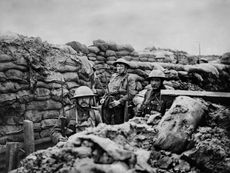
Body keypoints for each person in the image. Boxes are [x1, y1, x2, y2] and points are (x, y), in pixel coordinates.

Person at [101, 58, 136, 124]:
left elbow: (131, 93)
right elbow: (108, 89)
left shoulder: (130, 78)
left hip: (120, 102)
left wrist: (119, 101)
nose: (119, 68)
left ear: (126, 68)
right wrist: (103, 97)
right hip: (109, 100)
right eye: (117, 66)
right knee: (106, 120)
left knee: (118, 122)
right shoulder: (114, 76)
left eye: (121, 66)